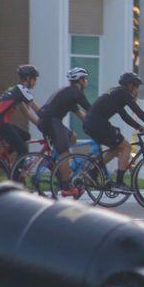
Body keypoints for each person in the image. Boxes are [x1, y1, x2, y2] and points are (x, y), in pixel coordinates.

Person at [83, 72, 144, 190]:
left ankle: (93, 171)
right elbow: (138, 111)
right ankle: (119, 182)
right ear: (130, 85)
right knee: (126, 147)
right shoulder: (124, 93)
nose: (137, 90)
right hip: (98, 124)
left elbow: (125, 116)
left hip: (90, 123)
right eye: (136, 86)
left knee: (117, 147)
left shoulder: (117, 93)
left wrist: (140, 128)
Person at [38, 67, 91, 195]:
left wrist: (89, 124)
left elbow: (80, 113)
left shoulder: (68, 92)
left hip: (47, 121)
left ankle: (61, 167)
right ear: (81, 80)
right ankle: (67, 187)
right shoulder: (76, 93)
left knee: (72, 136)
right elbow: (90, 109)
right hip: (52, 121)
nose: (87, 82)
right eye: (85, 79)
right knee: (65, 153)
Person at [0, 65, 42, 165]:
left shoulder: (16, 90)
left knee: (25, 136)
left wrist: (40, 125)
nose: (35, 82)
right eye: (34, 78)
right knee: (23, 151)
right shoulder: (22, 89)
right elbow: (37, 109)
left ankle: (1, 158)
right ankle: (15, 178)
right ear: (28, 78)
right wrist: (48, 120)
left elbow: (26, 113)